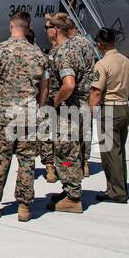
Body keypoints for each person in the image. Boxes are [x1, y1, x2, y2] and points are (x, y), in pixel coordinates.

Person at [0, 11, 48, 222]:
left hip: (2, 116)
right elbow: (44, 88)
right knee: (26, 161)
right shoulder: (39, 55)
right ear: (28, 27)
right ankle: (24, 206)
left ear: (11, 25)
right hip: (28, 116)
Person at [43, 12, 97, 214]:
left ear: (56, 30)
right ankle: (68, 190)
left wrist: (55, 102)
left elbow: (69, 84)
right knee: (69, 152)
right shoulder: (73, 48)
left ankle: (73, 197)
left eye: (48, 27)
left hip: (68, 110)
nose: (46, 31)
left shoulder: (65, 53)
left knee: (66, 153)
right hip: (76, 108)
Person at [89, 28, 129, 203]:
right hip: (124, 108)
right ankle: (120, 186)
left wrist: (91, 112)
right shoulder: (127, 61)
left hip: (109, 110)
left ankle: (116, 192)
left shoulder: (102, 65)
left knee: (110, 153)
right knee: (119, 151)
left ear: (100, 44)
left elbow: (96, 92)